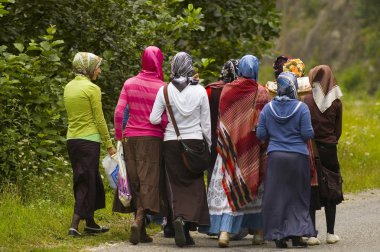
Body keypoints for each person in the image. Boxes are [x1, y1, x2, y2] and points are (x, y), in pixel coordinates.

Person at [206, 55, 269, 248]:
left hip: (229, 150)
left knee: (228, 189)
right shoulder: (262, 92)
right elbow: (262, 125)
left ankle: (224, 233)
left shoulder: (228, 90)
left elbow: (222, 121)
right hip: (252, 150)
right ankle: (258, 233)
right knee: (256, 189)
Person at [150, 52, 211, 247]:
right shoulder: (200, 91)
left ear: (174, 67)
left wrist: (169, 120)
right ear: (190, 67)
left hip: (171, 142)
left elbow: (153, 119)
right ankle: (186, 224)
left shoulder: (165, 91)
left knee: (175, 186)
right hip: (194, 141)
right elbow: (206, 124)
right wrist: (208, 145)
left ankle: (178, 220)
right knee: (194, 185)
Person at [113, 46, 168, 245]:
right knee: (149, 181)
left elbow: (119, 113)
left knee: (134, 179)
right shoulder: (162, 87)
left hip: (130, 138)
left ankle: (141, 229)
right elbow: (163, 118)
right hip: (152, 139)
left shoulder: (129, 83)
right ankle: (139, 220)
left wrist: (120, 136)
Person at [257, 71, 316, 248]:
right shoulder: (302, 108)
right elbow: (307, 134)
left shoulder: (268, 108)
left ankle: (278, 236)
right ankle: (297, 235)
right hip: (298, 157)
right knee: (297, 196)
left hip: (275, 157)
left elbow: (261, 134)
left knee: (276, 197)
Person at [64, 52, 116, 237]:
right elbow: (100, 120)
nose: (99, 71)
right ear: (88, 69)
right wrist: (109, 145)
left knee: (91, 179)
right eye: (97, 67)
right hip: (89, 141)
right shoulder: (92, 89)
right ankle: (74, 225)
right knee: (85, 182)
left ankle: (91, 223)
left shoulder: (68, 87)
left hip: (73, 140)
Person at [303, 65, 343, 245]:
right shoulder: (336, 102)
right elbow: (338, 130)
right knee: (332, 187)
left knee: (312, 187)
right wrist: (330, 140)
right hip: (330, 149)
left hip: (311, 148)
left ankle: (311, 234)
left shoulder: (306, 100)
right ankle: (331, 233)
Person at [204, 59, 239, 186]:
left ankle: (211, 203)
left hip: (212, 140)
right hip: (232, 141)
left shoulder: (210, 90)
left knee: (212, 174)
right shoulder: (239, 92)